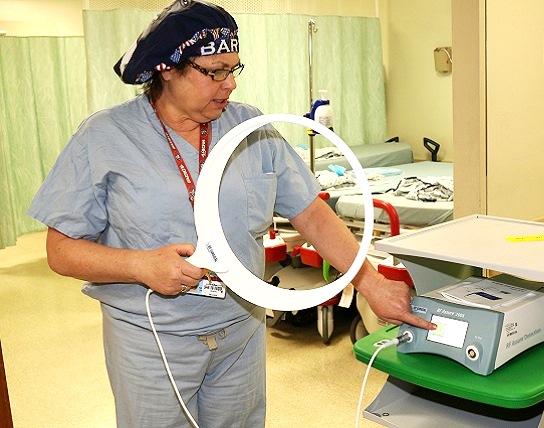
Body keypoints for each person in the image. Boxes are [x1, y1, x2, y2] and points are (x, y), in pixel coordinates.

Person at [27, 1, 433, 427]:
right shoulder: (105, 137)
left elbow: (311, 213)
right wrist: (139, 265)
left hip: (240, 328)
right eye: (215, 71)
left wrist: (370, 282)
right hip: (152, 339)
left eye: (235, 68)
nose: (230, 84)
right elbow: (61, 251)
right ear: (168, 68)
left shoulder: (249, 128)